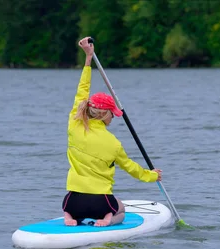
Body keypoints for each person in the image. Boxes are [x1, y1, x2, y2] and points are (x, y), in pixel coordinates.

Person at [62, 37, 162, 227]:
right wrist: (152, 175)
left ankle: (69, 217)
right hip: (101, 203)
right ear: (104, 114)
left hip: (72, 200)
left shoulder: (73, 124)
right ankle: (108, 220)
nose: (114, 118)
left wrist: (88, 59)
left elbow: (81, 91)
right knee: (121, 210)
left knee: (70, 205)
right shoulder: (113, 143)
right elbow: (131, 168)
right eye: (112, 114)